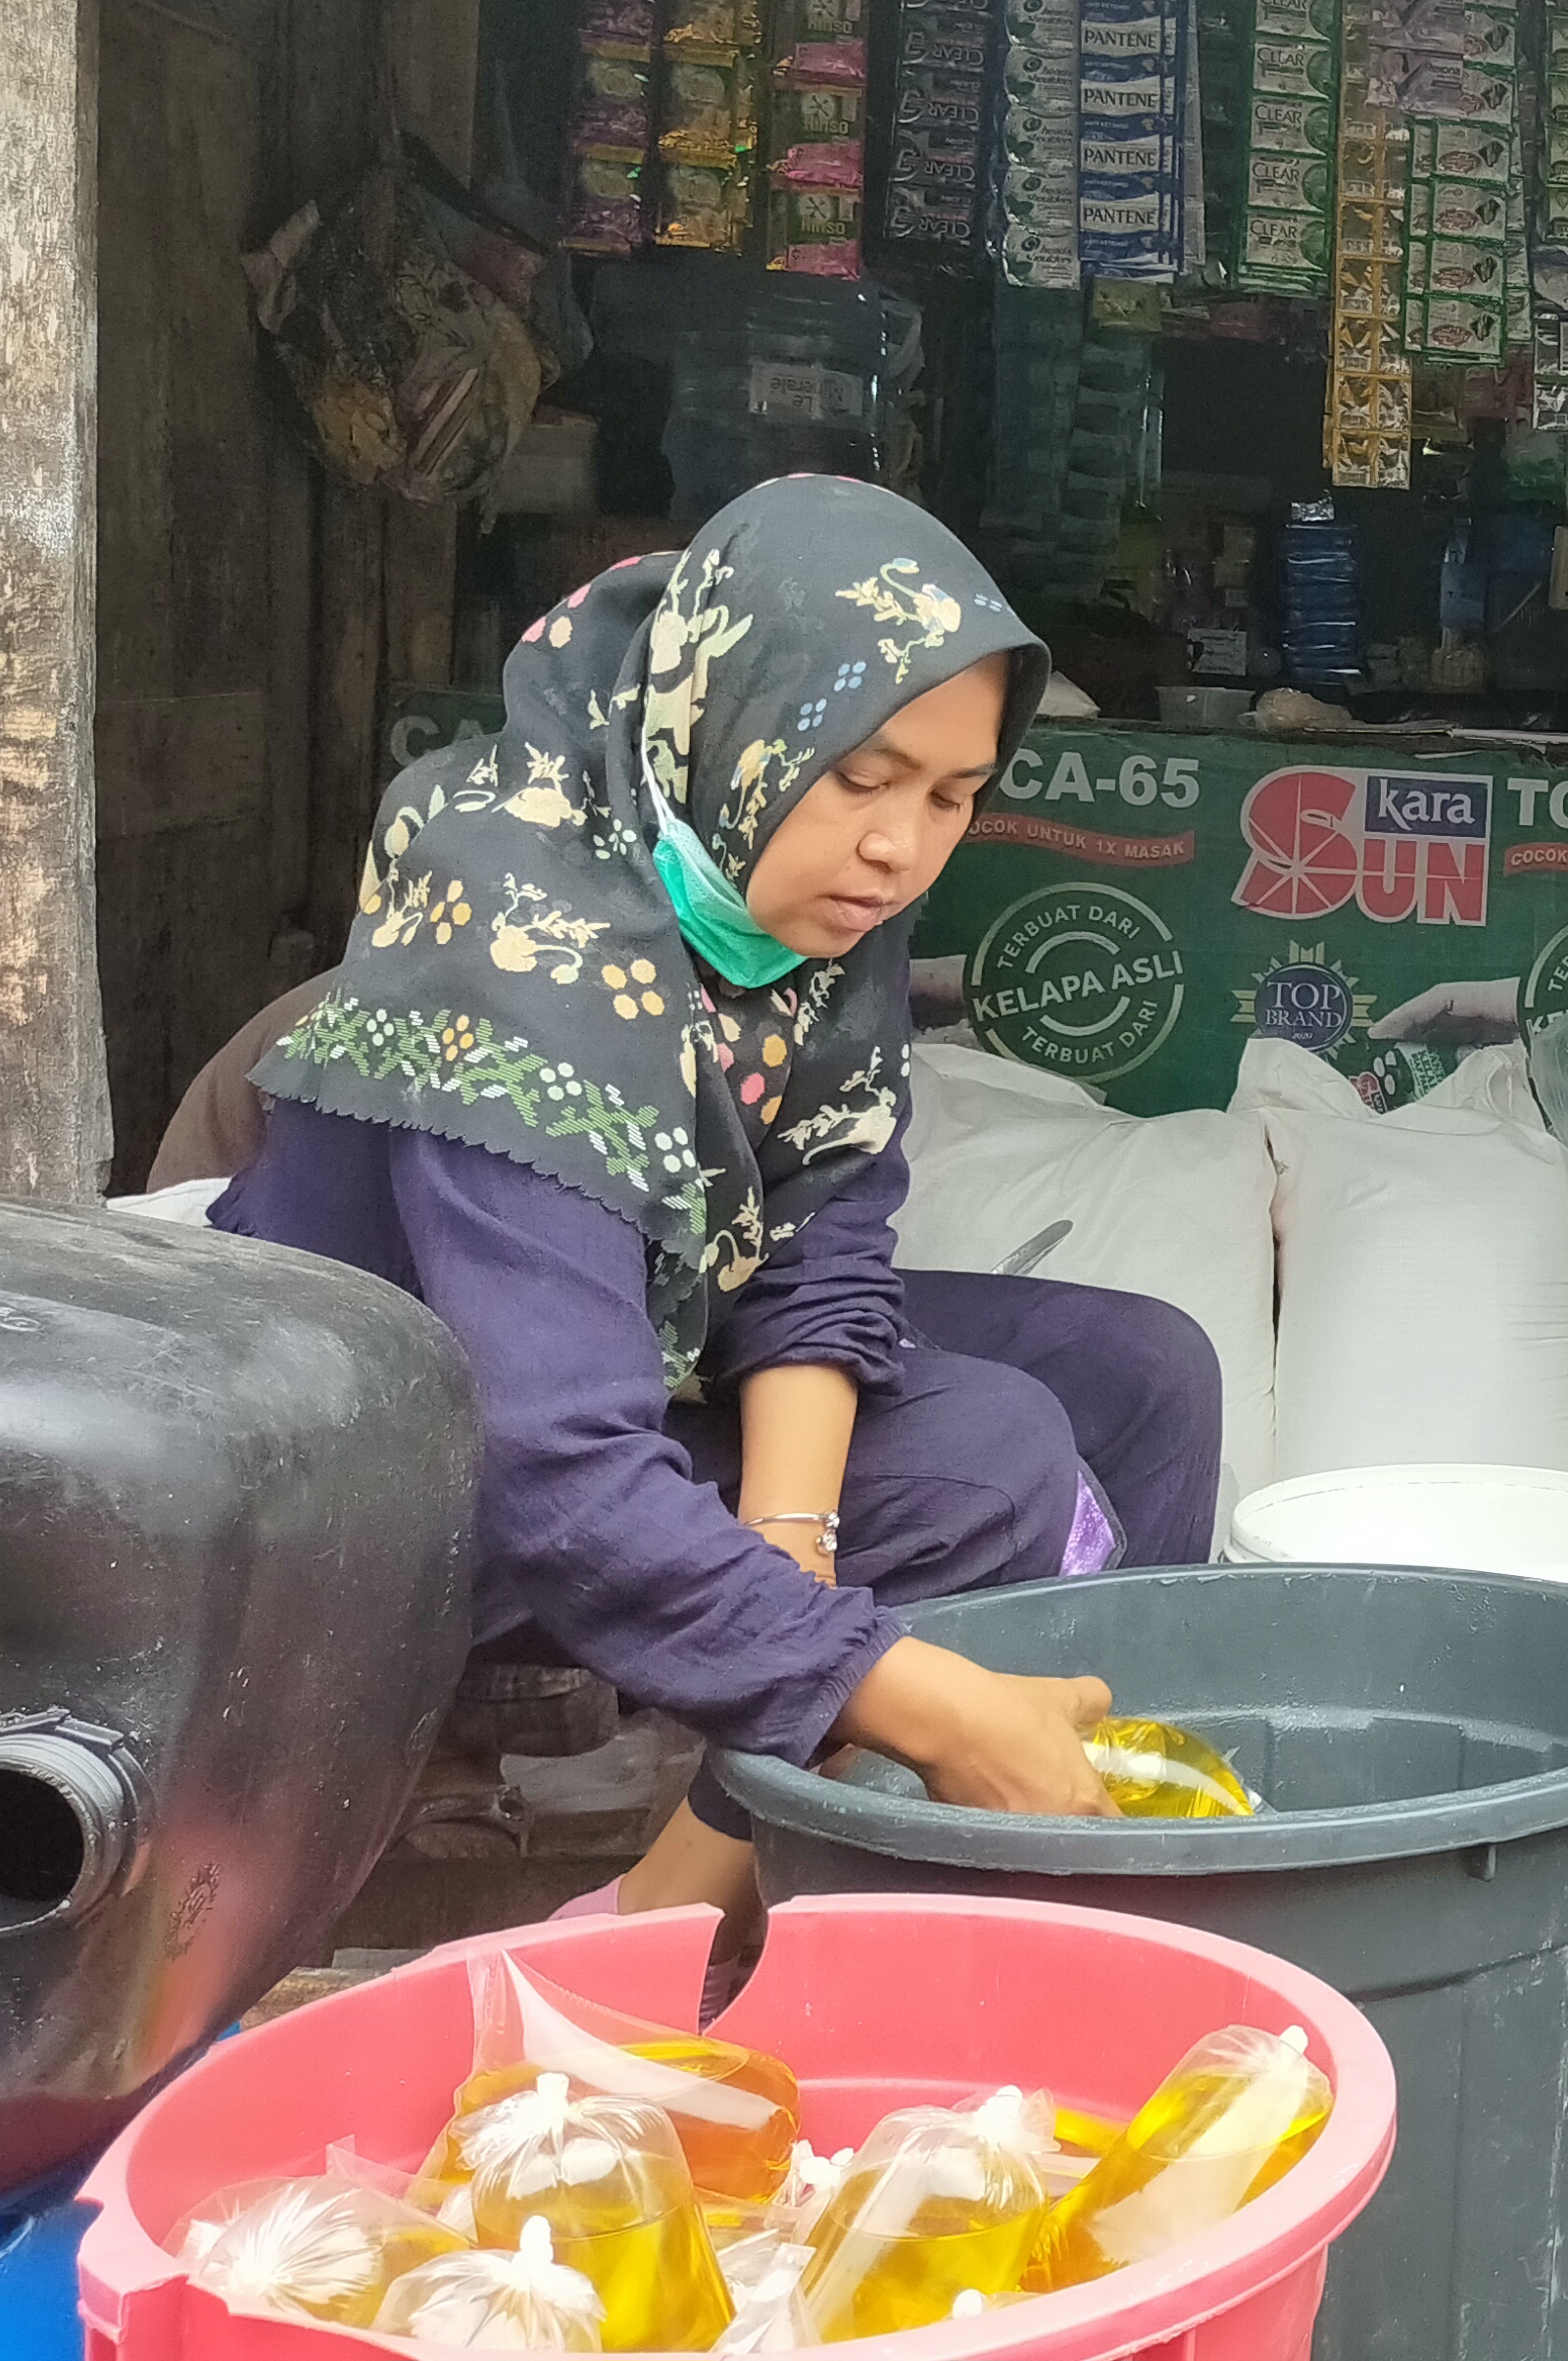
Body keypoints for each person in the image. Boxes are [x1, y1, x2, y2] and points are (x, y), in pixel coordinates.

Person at [217, 474, 1220, 1919]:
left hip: (657, 1333)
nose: (901, 845)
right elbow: (553, 1463)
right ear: (745, 722)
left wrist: (790, 1549)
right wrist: (890, 1687)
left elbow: (822, 1233)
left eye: (953, 795)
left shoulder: (791, 875)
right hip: (392, 1476)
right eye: (865, 777)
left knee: (1143, 1373)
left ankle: (1077, 1824)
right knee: (992, 1458)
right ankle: (670, 1917)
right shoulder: (524, 930)